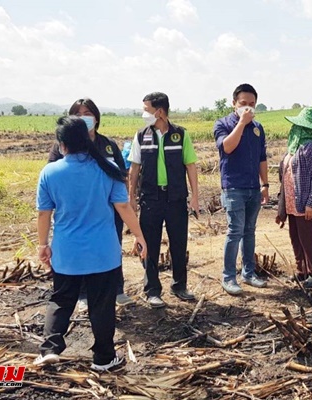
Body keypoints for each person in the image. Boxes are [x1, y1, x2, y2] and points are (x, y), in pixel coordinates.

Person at [35, 116, 147, 370]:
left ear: (62, 144)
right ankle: (104, 358)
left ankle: (50, 348)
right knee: (102, 305)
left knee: (61, 300)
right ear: (87, 140)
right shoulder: (106, 167)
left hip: (67, 252)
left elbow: (44, 214)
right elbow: (123, 207)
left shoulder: (50, 172)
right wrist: (139, 236)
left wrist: (43, 245)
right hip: (103, 252)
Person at [47, 98, 134, 311]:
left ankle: (117, 288)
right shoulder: (61, 146)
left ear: (96, 117)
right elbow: (53, 174)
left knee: (112, 246)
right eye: (77, 113)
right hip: (77, 210)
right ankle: (84, 294)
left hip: (108, 209)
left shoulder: (108, 145)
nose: (83, 117)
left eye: (87, 112)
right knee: (81, 249)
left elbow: (121, 175)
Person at [128, 92, 199, 308]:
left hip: (176, 198)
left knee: (178, 243)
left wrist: (195, 196)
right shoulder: (141, 136)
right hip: (151, 198)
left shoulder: (180, 135)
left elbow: (191, 166)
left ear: (159, 111)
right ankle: (152, 290)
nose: (144, 114)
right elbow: (134, 168)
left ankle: (179, 285)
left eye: (146, 109)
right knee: (149, 244)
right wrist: (131, 196)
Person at [214, 83, 269, 296]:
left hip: (253, 188)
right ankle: (229, 277)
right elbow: (227, 147)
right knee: (235, 231)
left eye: (252, 105)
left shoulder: (258, 128)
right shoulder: (223, 124)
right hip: (233, 187)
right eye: (243, 104)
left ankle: (249, 273)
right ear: (233, 103)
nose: (248, 108)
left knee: (249, 232)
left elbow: (262, 158)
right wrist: (241, 123)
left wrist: (265, 184)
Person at [276, 108, 312, 287]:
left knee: (307, 238)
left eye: (298, 126)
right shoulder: (295, 146)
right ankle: (302, 271)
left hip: (305, 202)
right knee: (295, 237)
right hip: (292, 201)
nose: (294, 129)